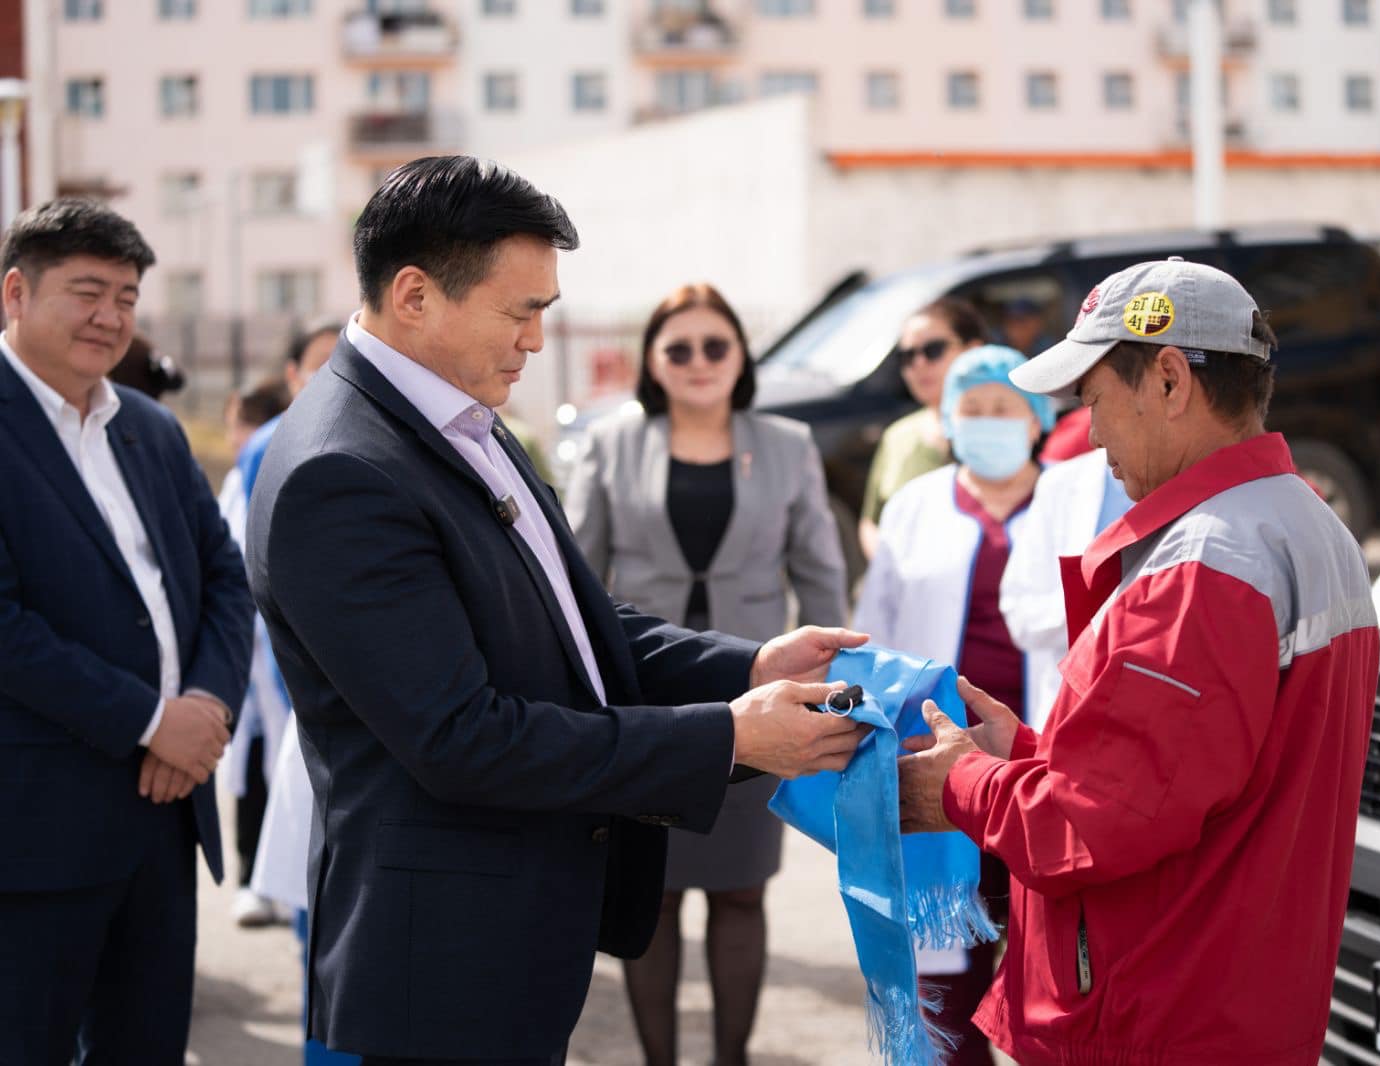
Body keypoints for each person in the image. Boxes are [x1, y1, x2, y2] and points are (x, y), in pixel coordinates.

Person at [245, 155, 867, 1065]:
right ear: (415, 295)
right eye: (520, 311)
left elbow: (573, 623)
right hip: (434, 971)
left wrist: (750, 666)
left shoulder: (458, 413)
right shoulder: (343, 472)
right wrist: (727, 737)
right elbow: (462, 739)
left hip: (508, 935)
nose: (537, 339)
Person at [897, 258, 1380, 1065]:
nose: (1088, 434)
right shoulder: (1306, 523)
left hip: (1157, 1013)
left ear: (1167, 379)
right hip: (1236, 996)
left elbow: (1095, 820)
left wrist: (958, 784)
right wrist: (1026, 755)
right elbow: (1190, 773)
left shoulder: (1203, 565)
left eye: (1093, 402)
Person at [567, 282, 849, 1066]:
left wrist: (839, 687)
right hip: (645, 695)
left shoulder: (788, 444)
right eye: (678, 348)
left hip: (763, 691)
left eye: (715, 345)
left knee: (741, 889)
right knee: (649, 896)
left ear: (740, 356)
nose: (698, 362)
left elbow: (820, 574)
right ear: (653, 362)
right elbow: (580, 582)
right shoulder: (610, 444)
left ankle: (732, 1058)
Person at [0, 198, 254, 1062]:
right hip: (35, 831)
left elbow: (227, 578)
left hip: (166, 810)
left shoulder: (149, 428)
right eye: (86, 291)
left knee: (145, 1048)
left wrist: (210, 705)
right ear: (17, 295)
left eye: (127, 296)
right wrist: (152, 720)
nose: (110, 316)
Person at [854, 344, 1055, 1066]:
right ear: (946, 420)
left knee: (1055, 975)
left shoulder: (1078, 502)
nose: (987, 422)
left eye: (1003, 407)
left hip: (1045, 768)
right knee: (945, 983)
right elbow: (875, 630)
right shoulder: (915, 504)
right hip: (936, 770)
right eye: (971, 410)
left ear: (1037, 417)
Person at [215, 377, 292, 928]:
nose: (232, 437)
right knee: (256, 769)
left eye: (236, 423)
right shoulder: (242, 474)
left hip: (282, 652)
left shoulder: (276, 449)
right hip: (254, 652)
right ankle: (252, 879)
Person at [998, 447, 1132, 719]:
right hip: (1072, 704)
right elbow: (1021, 614)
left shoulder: (1205, 477)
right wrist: (1099, 606)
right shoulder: (1062, 483)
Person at [858, 297, 986, 560]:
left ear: (974, 349)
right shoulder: (897, 436)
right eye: (906, 356)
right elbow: (871, 522)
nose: (918, 364)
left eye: (933, 350)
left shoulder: (1006, 431)